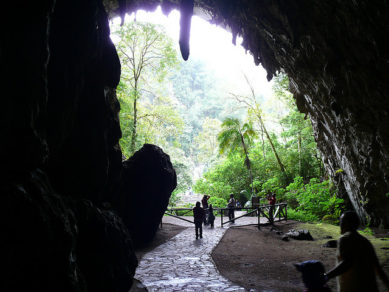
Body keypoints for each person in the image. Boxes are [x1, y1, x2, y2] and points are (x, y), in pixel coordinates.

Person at [324, 211, 389, 292]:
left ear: (346, 223)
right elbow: (379, 270)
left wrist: (327, 276)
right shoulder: (365, 242)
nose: (340, 224)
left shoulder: (345, 239)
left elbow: (347, 262)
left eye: (341, 222)